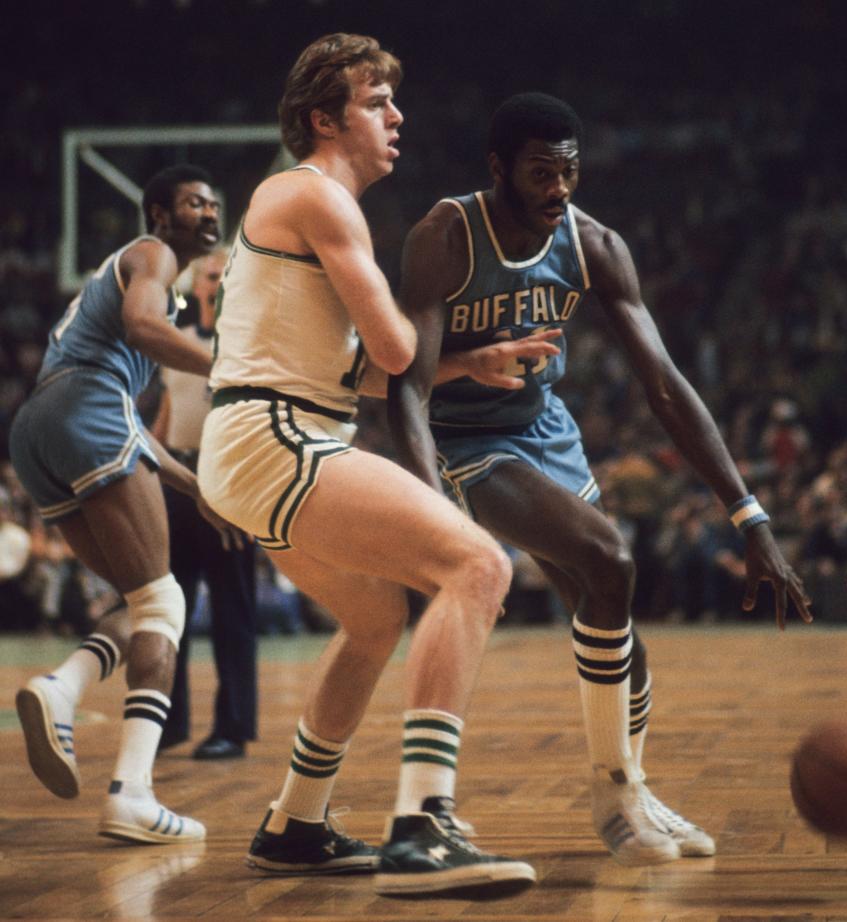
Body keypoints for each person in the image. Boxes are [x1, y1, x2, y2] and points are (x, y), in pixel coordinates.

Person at [387, 92, 814, 867]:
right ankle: (614, 802)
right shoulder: (445, 236)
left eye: (569, 172)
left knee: (626, 647)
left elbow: (666, 385)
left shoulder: (595, 245)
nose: (557, 188)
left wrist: (749, 515)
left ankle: (636, 786)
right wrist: (427, 502)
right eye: (540, 172)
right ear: (498, 169)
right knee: (612, 560)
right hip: (461, 439)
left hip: (543, 432)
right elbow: (406, 385)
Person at [197, 35, 559, 898]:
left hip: (262, 436)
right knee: (476, 565)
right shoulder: (317, 196)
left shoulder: (301, 205)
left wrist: (466, 362)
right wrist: (430, 310)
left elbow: (351, 368)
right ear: (325, 118)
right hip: (278, 438)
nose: (397, 116)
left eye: (395, 100)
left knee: (373, 618)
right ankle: (423, 825)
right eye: (375, 101)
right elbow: (397, 351)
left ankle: (294, 824)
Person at [10, 164, 244, 843]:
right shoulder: (153, 256)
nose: (207, 211)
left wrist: (196, 488)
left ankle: (64, 687)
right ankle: (131, 794)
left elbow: (130, 426)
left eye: (212, 202)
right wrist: (222, 365)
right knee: (166, 603)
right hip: (83, 411)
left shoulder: (131, 286)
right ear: (158, 214)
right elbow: (142, 329)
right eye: (194, 202)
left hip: (40, 430)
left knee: (143, 605)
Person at [152, 247, 258, 760]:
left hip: (228, 480)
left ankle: (233, 727)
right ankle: (169, 725)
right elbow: (169, 413)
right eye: (213, 274)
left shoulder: (248, 345)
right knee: (171, 607)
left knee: (233, 609)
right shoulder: (179, 345)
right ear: (197, 286)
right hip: (176, 476)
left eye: (227, 275)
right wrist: (151, 477)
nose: (219, 281)